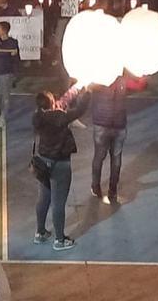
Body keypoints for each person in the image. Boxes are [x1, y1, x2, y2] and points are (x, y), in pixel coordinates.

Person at [33, 85, 88, 252]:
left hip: (43, 162)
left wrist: (76, 88)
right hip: (60, 164)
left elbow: (64, 101)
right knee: (58, 202)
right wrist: (87, 93)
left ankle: (40, 232)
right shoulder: (60, 117)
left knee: (44, 198)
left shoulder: (37, 116)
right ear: (51, 104)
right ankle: (59, 239)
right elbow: (79, 110)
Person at [89, 76, 127, 205]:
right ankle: (113, 190)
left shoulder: (98, 79)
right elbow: (139, 84)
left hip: (101, 123)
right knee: (116, 158)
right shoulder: (122, 80)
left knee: (99, 157)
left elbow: (86, 85)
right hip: (119, 124)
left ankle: (96, 187)